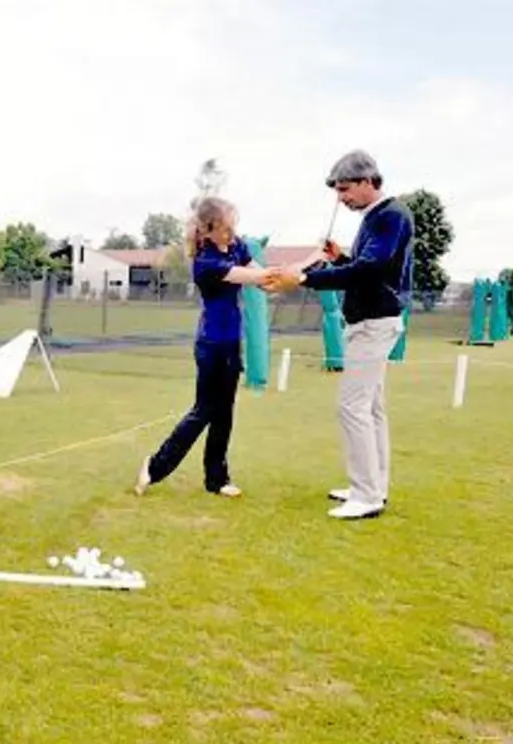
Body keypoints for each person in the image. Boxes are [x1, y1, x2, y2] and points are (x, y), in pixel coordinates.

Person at [264, 150, 414, 520]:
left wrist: (305, 277)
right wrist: (340, 259)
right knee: (372, 409)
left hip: (373, 323)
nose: (341, 197)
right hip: (373, 320)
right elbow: (367, 269)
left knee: (353, 407)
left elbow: (370, 269)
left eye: (345, 189)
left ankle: (366, 496)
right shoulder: (379, 217)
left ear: (367, 182)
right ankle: (371, 488)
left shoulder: (389, 215)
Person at [135, 197, 274, 499]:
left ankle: (217, 479)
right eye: (225, 228)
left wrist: (307, 266)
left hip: (231, 343)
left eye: (232, 226)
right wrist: (284, 273)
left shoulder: (236, 246)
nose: (231, 233)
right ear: (208, 230)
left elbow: (265, 280)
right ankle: (155, 466)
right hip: (210, 346)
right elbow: (256, 277)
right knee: (205, 411)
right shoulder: (206, 263)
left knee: (225, 413)